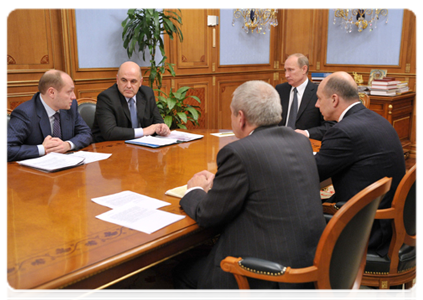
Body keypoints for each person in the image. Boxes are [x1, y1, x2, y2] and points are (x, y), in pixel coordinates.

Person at [173, 80, 326, 300]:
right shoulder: (300, 142)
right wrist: (227, 182)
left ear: (241, 117)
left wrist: (194, 190)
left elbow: (207, 215)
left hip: (265, 276)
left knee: (183, 274)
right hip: (308, 261)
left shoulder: (239, 152)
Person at [314, 71, 406, 257]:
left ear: (334, 99)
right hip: (391, 223)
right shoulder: (377, 119)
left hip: (366, 231)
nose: (316, 104)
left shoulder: (342, 131)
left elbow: (311, 174)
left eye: (318, 98)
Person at [5, 70, 92, 162]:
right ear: (52, 92)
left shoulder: (70, 106)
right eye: (69, 92)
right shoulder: (25, 113)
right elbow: (6, 149)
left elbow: (86, 133)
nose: (74, 97)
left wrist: (67, 145)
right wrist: (43, 149)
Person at [91, 61, 170, 142]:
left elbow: (158, 122)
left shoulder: (147, 93)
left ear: (140, 82)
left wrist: (162, 128)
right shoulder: (106, 98)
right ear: (117, 80)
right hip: (112, 147)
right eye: (124, 80)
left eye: (133, 81)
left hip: (142, 147)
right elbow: (110, 132)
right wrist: (144, 131)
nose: (128, 86)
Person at [275, 53, 334, 140]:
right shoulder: (280, 89)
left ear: (304, 69)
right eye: (285, 70)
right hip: (279, 141)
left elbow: (330, 126)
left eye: (290, 70)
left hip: (306, 142)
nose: (286, 75)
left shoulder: (319, 93)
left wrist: (307, 133)